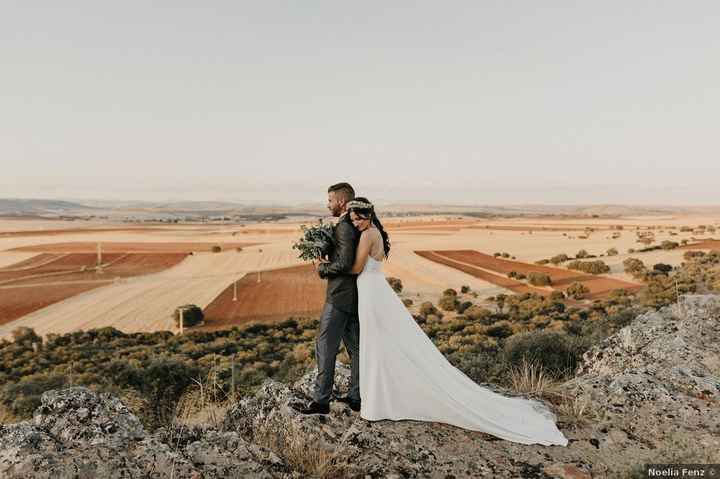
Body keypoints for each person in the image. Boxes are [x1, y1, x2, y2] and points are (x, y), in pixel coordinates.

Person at [346, 197, 569, 446]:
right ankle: (381, 397)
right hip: (376, 290)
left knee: (377, 341)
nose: (355, 223)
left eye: (358, 218)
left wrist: (328, 260)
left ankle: (379, 401)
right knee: (381, 341)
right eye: (352, 220)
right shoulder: (375, 231)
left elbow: (355, 268)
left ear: (367, 215)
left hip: (371, 291)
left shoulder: (367, 236)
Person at [297, 182, 362, 415]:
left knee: (325, 347)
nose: (328, 205)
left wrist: (323, 268)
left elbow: (344, 263)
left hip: (339, 297)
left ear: (342, 202)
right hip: (354, 297)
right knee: (356, 349)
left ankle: (321, 401)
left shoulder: (344, 227)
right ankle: (357, 396)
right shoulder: (355, 226)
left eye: (330, 200)